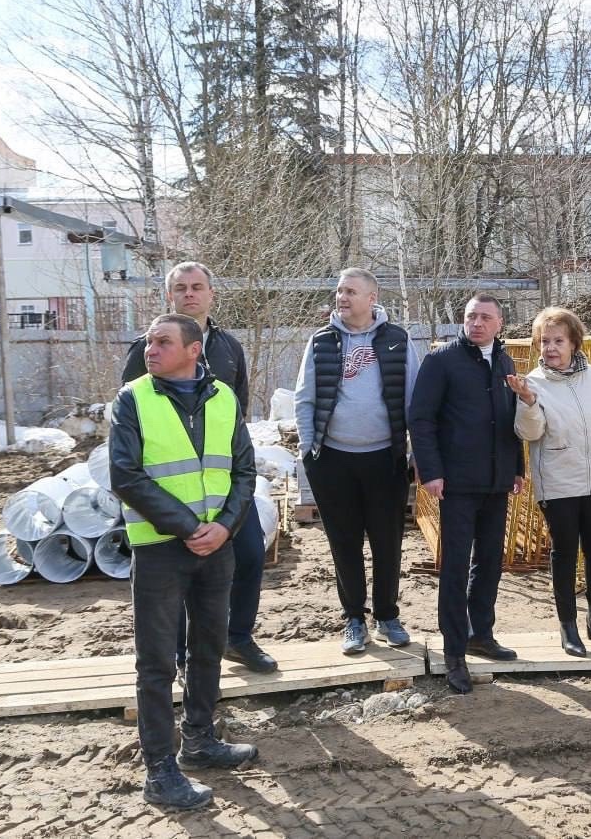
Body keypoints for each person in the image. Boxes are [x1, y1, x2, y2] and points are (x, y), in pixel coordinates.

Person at [110, 314, 259, 810]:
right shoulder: (132, 399)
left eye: (162, 342)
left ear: (194, 350)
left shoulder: (224, 398)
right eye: (149, 342)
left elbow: (244, 471)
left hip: (216, 547)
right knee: (156, 662)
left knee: (209, 647)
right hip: (160, 548)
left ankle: (199, 740)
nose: (150, 350)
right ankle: (159, 771)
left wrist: (225, 527)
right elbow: (125, 475)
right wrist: (189, 527)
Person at [121, 262, 277, 675]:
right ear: (169, 295)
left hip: (222, 487)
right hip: (169, 493)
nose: (188, 294)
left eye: (196, 287)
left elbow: (237, 414)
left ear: (211, 294)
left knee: (250, 554)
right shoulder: (145, 350)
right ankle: (179, 653)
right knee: (175, 570)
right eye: (180, 288)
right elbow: (131, 417)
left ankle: (237, 638)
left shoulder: (229, 348)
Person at [294, 268, 420, 655]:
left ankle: (387, 617)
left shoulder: (397, 340)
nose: (342, 297)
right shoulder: (321, 341)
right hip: (333, 462)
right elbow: (305, 398)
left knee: (387, 543)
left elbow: (415, 399)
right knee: (344, 543)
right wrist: (309, 452)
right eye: (339, 291)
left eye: (350, 291)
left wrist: (415, 453)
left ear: (371, 298)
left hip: (385, 460)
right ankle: (354, 620)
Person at [409, 294, 525, 694]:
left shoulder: (505, 362)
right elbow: (421, 418)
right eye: (471, 316)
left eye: (485, 317)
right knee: (456, 567)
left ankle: (481, 634)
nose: (477, 323)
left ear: (499, 323)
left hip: (496, 480)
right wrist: (431, 472)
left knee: (490, 562)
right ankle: (454, 652)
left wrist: (517, 467)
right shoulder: (441, 361)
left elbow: (512, 419)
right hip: (456, 482)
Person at [508, 307, 591, 657]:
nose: (550, 348)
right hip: (559, 483)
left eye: (558, 341)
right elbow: (529, 432)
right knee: (564, 554)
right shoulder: (533, 383)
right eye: (544, 341)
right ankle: (567, 625)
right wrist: (528, 402)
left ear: (574, 343)